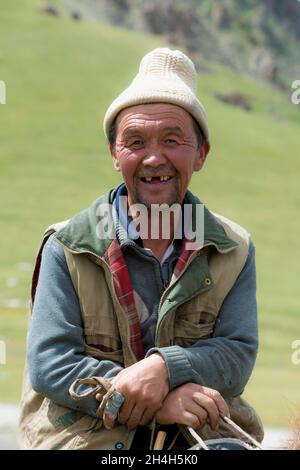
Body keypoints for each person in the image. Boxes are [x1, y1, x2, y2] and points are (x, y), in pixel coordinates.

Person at [18, 48, 264, 450]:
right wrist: (158, 399)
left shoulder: (233, 249)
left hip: (197, 436)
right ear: (115, 154)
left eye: (172, 139)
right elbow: (50, 363)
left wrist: (164, 368)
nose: (153, 157)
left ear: (201, 153)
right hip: (89, 437)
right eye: (135, 141)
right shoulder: (67, 246)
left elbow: (235, 357)